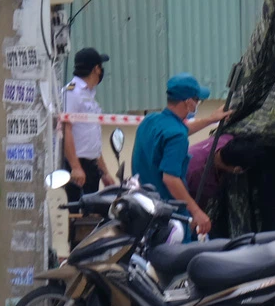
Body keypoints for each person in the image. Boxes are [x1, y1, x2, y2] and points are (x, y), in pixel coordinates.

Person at [132, 73, 230, 239]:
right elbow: (170, 179)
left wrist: (211, 119)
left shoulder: (151, 120)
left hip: (143, 208)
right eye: (197, 99)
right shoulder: (176, 136)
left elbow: (181, 130)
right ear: (188, 102)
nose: (198, 103)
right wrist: (197, 212)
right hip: (169, 217)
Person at [63, 48, 113, 201]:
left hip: (91, 167)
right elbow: (66, 130)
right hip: (77, 166)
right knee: (76, 217)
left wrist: (104, 172)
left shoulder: (89, 94)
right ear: (96, 69)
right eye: (100, 67)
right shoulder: (72, 92)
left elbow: (92, 138)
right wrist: (76, 167)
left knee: (91, 216)